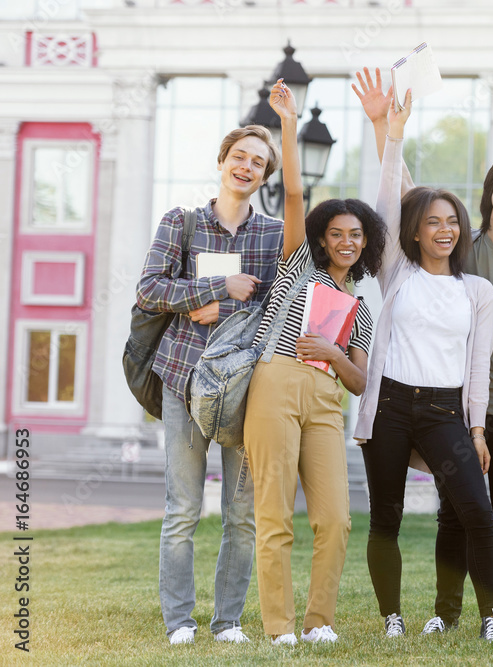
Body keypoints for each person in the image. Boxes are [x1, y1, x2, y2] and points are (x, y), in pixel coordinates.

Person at [352, 67, 493, 637]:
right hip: (429, 404)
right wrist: (387, 128)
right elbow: (402, 196)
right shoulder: (447, 249)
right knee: (446, 514)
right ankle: (442, 614)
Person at [352, 89, 493, 643]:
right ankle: (391, 616)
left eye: (453, 222)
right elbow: (391, 195)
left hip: (446, 411)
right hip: (389, 405)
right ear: (414, 231)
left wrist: (477, 428)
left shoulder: (478, 291)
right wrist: (392, 132)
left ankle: (491, 617)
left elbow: (479, 366)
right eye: (433, 221)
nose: (445, 229)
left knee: (476, 514)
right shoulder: (396, 271)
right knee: (386, 518)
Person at [242, 81, 384, 646]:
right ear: (321, 241)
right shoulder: (297, 268)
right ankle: (279, 627)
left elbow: (358, 380)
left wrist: (332, 352)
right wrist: (288, 124)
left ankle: (318, 621)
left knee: (337, 520)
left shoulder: (361, 307)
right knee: (274, 517)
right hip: (275, 385)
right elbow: (295, 196)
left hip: (327, 404)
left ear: (366, 241)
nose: (347, 241)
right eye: (337, 234)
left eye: (356, 235)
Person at [136, 115, 284, 643]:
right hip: (182, 380)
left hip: (242, 391)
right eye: (240, 157)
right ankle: (180, 621)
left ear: (265, 176)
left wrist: (220, 308)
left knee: (241, 515)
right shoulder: (182, 222)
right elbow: (149, 289)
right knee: (183, 510)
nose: (247, 167)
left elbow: (279, 304)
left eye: (258, 163)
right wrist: (214, 290)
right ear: (222, 162)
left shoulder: (274, 234)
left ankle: (226, 623)